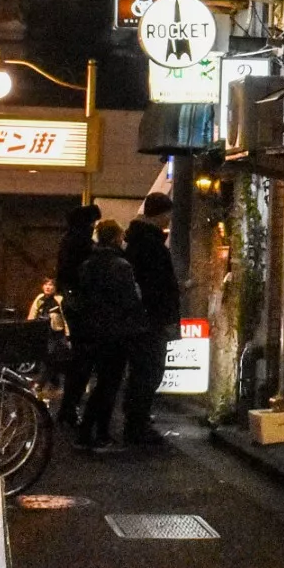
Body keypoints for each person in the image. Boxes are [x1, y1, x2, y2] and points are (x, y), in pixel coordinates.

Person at [65, 219, 146, 453]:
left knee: (101, 382)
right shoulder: (121, 265)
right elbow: (130, 300)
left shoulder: (88, 264)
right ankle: (95, 433)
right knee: (109, 384)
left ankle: (93, 432)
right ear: (115, 238)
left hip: (93, 330)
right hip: (116, 331)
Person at [122, 193, 181, 450]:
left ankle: (136, 422)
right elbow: (156, 285)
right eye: (167, 214)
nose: (169, 219)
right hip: (150, 319)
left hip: (140, 318)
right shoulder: (151, 245)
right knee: (149, 371)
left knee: (141, 372)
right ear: (161, 214)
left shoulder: (136, 241)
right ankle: (137, 425)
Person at [54, 203, 101, 430]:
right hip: (84, 306)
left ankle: (68, 408)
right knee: (83, 358)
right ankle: (70, 408)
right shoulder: (81, 244)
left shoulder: (68, 241)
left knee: (80, 358)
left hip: (74, 305)